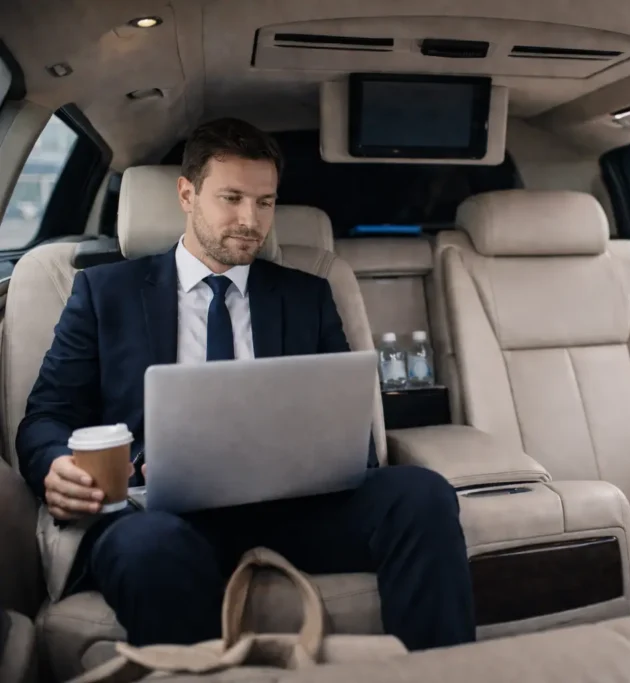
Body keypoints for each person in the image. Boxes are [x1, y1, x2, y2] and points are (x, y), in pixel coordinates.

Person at [15, 118, 475, 650]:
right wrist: (55, 464)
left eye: (265, 202)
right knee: (146, 549)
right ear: (187, 194)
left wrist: (337, 459)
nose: (249, 220)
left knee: (422, 493)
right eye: (231, 198)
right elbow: (46, 415)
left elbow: (348, 430)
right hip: (160, 514)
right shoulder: (103, 294)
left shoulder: (308, 295)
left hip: (294, 509)